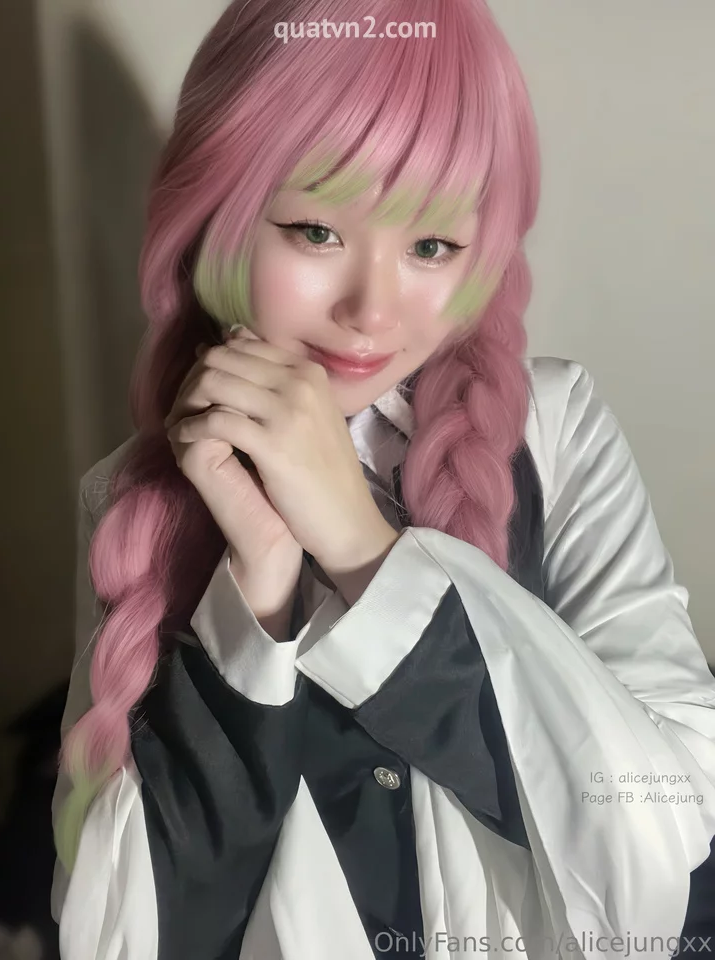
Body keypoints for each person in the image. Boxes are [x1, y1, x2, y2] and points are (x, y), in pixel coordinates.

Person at [50, 0, 715, 957]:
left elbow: (666, 832)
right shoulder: (131, 503)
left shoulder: (555, 433)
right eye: (316, 232)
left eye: (431, 246)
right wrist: (258, 587)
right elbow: (128, 934)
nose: (372, 310)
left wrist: (364, 548)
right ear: (215, 219)